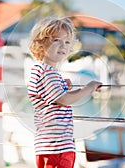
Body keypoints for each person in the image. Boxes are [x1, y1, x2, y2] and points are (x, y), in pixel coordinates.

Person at [27, 17, 102, 168]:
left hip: (48, 145)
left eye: (67, 42)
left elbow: (53, 99)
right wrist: (88, 88)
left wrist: (63, 87)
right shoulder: (48, 73)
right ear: (40, 43)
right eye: (56, 40)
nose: (63, 46)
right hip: (57, 147)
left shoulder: (41, 70)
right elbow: (64, 100)